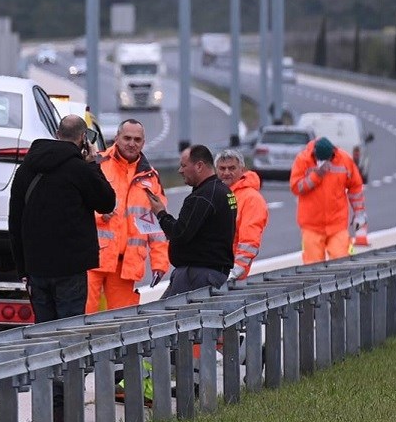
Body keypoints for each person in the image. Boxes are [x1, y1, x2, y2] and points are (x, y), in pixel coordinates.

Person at [8, 114, 115, 422]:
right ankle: (67, 412)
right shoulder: (79, 169)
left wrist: (23, 269)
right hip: (69, 270)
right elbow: (107, 201)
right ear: (83, 139)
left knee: (45, 340)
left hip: (37, 271)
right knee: (69, 341)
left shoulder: (27, 168)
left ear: (56, 134)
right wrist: (94, 164)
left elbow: (15, 222)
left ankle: (49, 410)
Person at [86, 119, 170, 313]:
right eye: (127, 138)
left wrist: (160, 262)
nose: (132, 143)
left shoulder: (150, 177)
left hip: (126, 265)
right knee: (82, 318)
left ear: (143, 142)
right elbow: (76, 207)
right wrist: (99, 213)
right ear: (116, 138)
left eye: (137, 139)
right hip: (93, 258)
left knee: (122, 324)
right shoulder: (97, 164)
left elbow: (158, 225)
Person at [144, 144, 236, 296]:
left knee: (164, 317)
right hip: (208, 274)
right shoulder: (223, 191)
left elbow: (179, 233)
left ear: (199, 166)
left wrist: (160, 213)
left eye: (183, 165)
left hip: (197, 276)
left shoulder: (202, 196)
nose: (180, 170)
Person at [289, 136, 367, 264]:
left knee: (341, 262)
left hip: (337, 224)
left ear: (333, 154)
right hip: (311, 226)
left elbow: (355, 187)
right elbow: (296, 187)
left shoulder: (344, 160)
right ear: (314, 154)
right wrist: (316, 176)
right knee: (312, 267)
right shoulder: (303, 160)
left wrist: (359, 213)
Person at [215, 148, 269, 282]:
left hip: (227, 273)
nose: (226, 173)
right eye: (222, 168)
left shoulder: (251, 199)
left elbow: (249, 240)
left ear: (242, 169)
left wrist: (236, 270)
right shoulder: (215, 193)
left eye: (231, 168)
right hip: (210, 268)